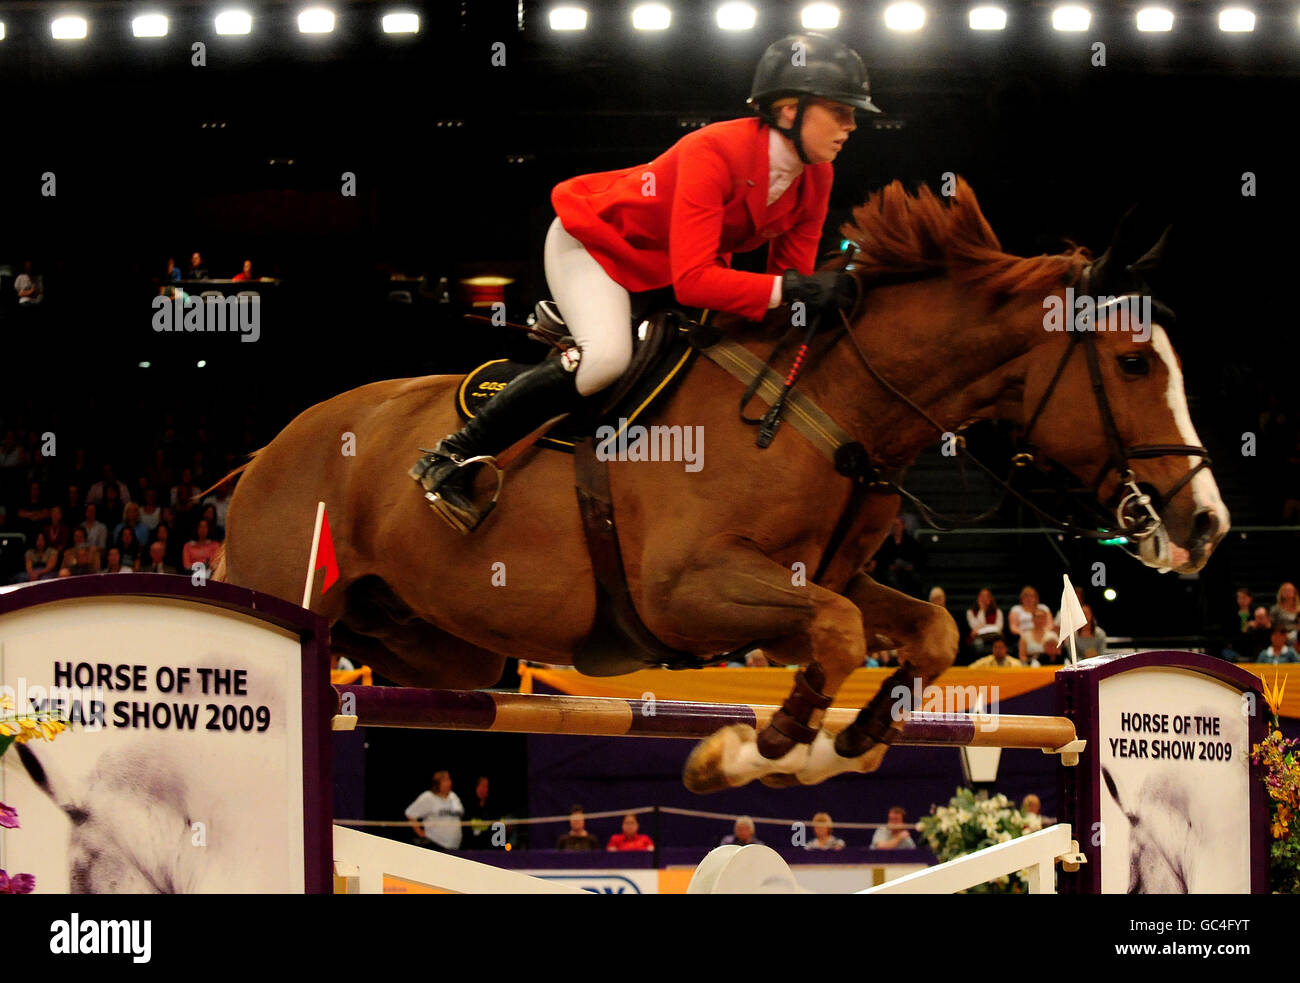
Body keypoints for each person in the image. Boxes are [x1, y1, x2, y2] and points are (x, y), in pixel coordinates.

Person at [411, 32, 876, 533]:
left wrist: (821, 296)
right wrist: (794, 290)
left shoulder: (817, 176)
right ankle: (450, 456)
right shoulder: (713, 149)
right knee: (606, 360)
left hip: (660, 272)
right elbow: (699, 282)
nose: (851, 126)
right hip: (596, 245)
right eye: (840, 111)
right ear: (789, 109)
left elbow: (783, 282)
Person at [405, 771, 464, 851]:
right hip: (435, 845)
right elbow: (410, 814)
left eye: (449, 779)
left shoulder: (453, 796)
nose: (449, 782)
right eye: (445, 780)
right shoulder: (428, 797)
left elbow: (459, 814)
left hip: (454, 847)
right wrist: (420, 833)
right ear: (438, 783)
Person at [966, 588, 1004, 658]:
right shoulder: (970, 612)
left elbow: (999, 628)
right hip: (978, 638)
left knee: (999, 644)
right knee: (978, 643)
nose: (984, 599)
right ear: (978, 598)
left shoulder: (998, 611)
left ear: (990, 599)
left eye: (987, 596)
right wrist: (982, 610)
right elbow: (974, 626)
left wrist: (983, 627)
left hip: (994, 637)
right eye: (982, 597)